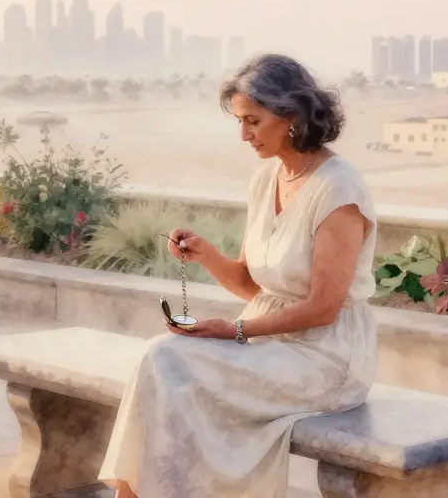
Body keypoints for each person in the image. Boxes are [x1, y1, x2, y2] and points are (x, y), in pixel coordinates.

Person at [99, 54, 378, 497]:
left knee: (169, 362)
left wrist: (235, 330)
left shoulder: (338, 189)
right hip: (271, 341)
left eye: (253, 121)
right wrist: (206, 255)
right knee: (162, 359)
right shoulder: (267, 178)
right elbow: (253, 285)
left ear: (291, 116)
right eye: (239, 121)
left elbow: (323, 309)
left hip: (326, 357)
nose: (244, 134)